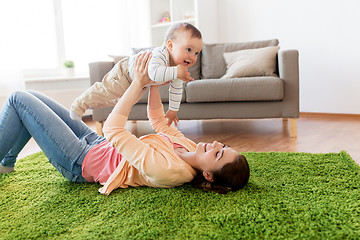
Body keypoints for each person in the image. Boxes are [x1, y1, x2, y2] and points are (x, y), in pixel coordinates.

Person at [0, 51, 250, 194]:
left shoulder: (169, 171)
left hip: (80, 161)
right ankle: (6, 163)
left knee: (18, 99)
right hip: (97, 144)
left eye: (218, 154)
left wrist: (137, 84)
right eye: (223, 147)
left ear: (207, 175)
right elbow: (159, 123)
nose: (216, 144)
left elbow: (113, 129)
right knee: (30, 96)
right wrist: (152, 83)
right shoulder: (187, 147)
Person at [70, 22, 203, 127]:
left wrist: (173, 110)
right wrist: (176, 72)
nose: (192, 56)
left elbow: (176, 89)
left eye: (196, 53)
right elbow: (154, 74)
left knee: (116, 101)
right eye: (189, 49)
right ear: (170, 45)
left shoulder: (178, 68)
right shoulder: (160, 54)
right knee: (103, 92)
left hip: (140, 83)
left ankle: (90, 104)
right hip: (124, 74)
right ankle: (78, 106)